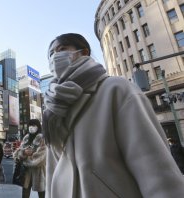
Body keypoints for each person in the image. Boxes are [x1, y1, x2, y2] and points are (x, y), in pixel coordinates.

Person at [43, 33, 184, 197]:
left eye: (61, 49)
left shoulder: (116, 89)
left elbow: (155, 171)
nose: (55, 57)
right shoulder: (52, 109)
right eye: (51, 54)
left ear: (83, 52)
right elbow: (52, 174)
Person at [13, 119, 46, 198]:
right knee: (25, 194)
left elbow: (40, 159)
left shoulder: (42, 139)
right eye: (30, 125)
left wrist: (25, 159)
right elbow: (17, 153)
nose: (31, 127)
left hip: (39, 172)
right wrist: (24, 152)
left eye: (34, 125)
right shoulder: (26, 138)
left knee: (41, 194)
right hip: (26, 172)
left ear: (38, 127)